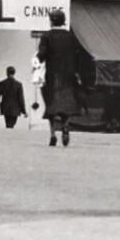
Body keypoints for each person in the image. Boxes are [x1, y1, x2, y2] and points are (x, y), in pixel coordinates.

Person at [36, 9, 82, 147]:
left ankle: (52, 133)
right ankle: (65, 125)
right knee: (66, 103)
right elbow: (78, 54)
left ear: (51, 20)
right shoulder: (70, 36)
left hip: (52, 74)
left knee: (51, 103)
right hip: (68, 74)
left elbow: (42, 54)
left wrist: (36, 60)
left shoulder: (47, 36)